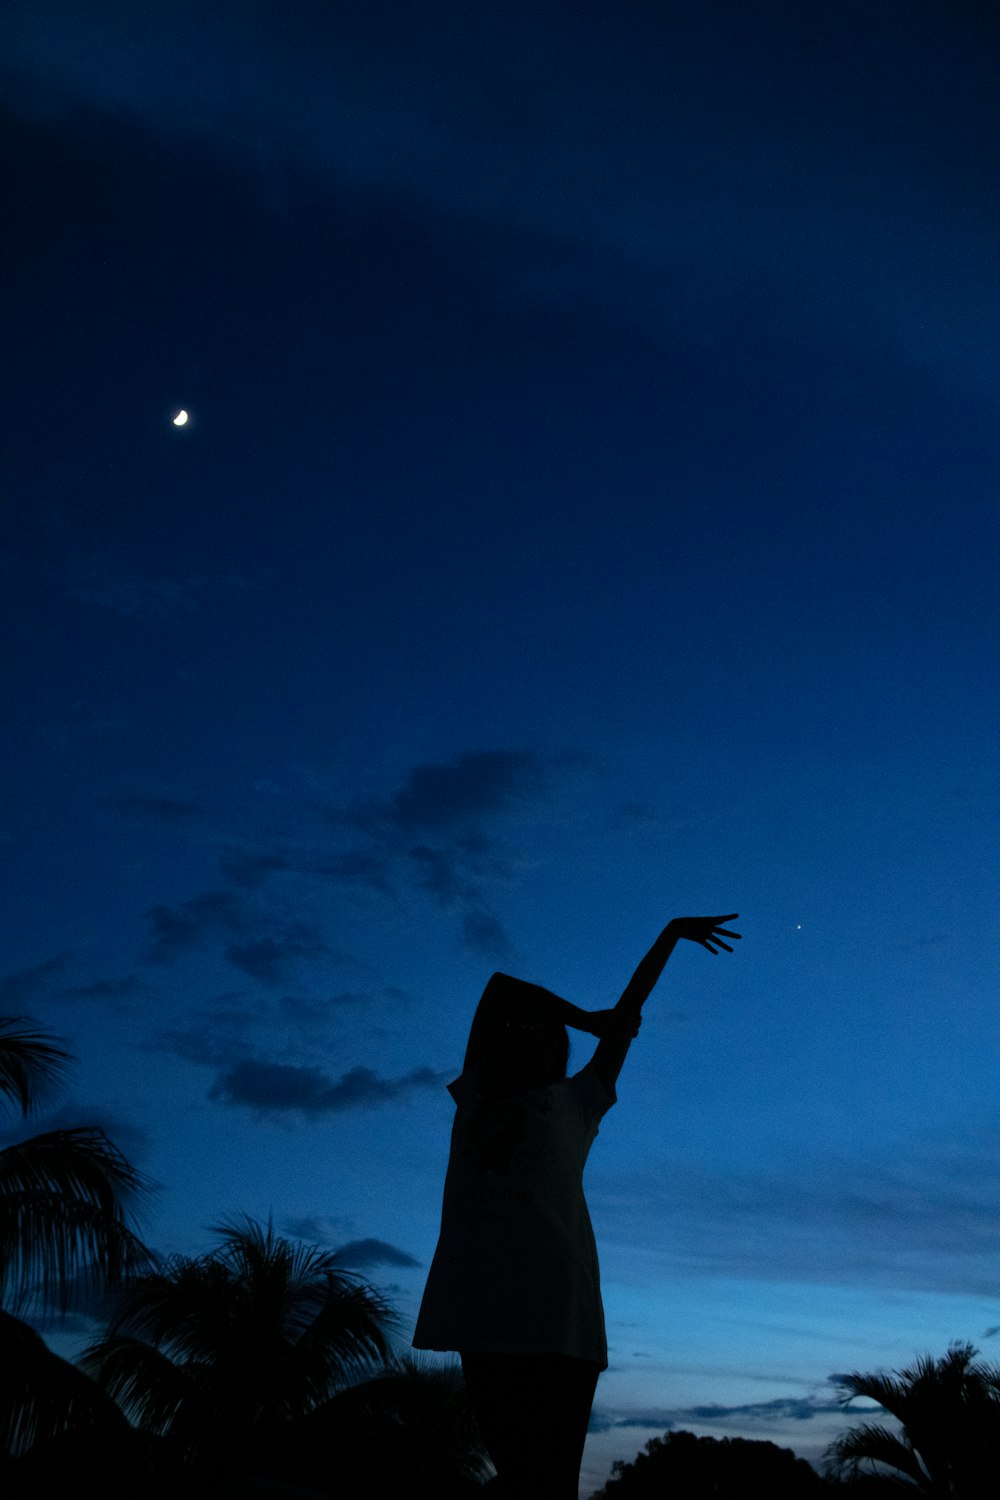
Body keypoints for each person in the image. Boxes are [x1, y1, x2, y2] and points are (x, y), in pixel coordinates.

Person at [412, 912, 741, 1498]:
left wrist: (667, 937)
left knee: (553, 1481)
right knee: (517, 1475)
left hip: (557, 1313)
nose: (534, 1034)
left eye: (546, 1033)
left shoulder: (577, 1102)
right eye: (528, 1029)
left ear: (559, 1053)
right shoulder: (474, 1096)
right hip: (480, 1306)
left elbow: (628, 1014)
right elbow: (499, 987)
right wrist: (579, 1016)